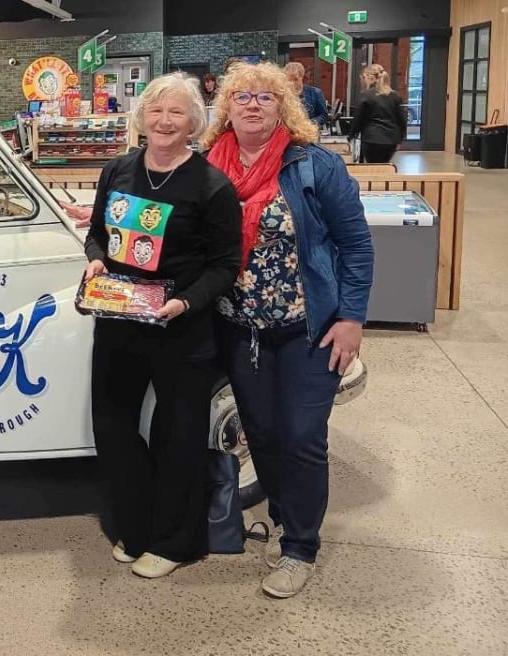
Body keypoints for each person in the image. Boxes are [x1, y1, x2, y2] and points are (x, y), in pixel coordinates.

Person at [202, 62, 374, 598]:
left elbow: (356, 245)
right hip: (240, 327)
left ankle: (300, 546)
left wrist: (351, 318)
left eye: (266, 98)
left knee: (301, 437)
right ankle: (280, 520)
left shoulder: (313, 165)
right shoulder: (207, 166)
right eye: (243, 97)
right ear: (226, 107)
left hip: (308, 327)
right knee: (265, 435)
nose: (253, 105)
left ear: (284, 107)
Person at [83, 72, 242, 579]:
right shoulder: (118, 170)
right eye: (156, 110)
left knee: (178, 434)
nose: (165, 120)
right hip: (119, 320)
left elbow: (224, 264)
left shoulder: (211, 184)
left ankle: (176, 542)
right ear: (141, 117)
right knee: (112, 425)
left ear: (194, 121)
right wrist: (96, 263)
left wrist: (187, 303)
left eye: (176, 112)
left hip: (180, 328)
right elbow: (97, 235)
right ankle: (135, 527)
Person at [348, 63, 407, 163]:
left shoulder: (366, 95)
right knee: (384, 165)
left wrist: (351, 136)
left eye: (363, 78)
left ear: (368, 78)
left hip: (371, 139)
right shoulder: (396, 96)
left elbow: (358, 119)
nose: (362, 81)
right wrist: (400, 139)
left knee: (373, 165)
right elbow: (402, 121)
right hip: (391, 140)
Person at [284, 62, 329, 129]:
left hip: (310, 132)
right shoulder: (283, 94)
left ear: (302, 77)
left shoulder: (316, 93)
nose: (292, 84)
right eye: (289, 80)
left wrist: (310, 123)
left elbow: (324, 115)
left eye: (296, 79)